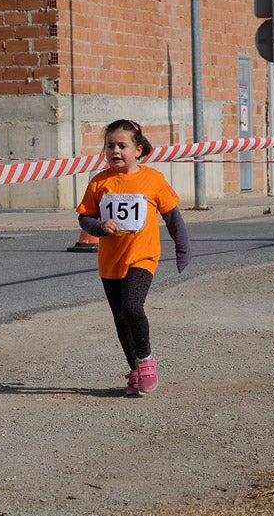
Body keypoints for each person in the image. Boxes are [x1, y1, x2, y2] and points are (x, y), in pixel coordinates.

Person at [76, 119, 191, 395]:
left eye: (122, 145)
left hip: (142, 258)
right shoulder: (100, 182)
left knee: (132, 308)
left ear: (138, 149)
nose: (115, 151)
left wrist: (182, 249)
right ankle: (135, 369)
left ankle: (146, 360)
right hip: (110, 262)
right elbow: (85, 217)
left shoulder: (153, 180)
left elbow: (173, 218)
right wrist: (100, 227)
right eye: (109, 145)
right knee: (119, 318)